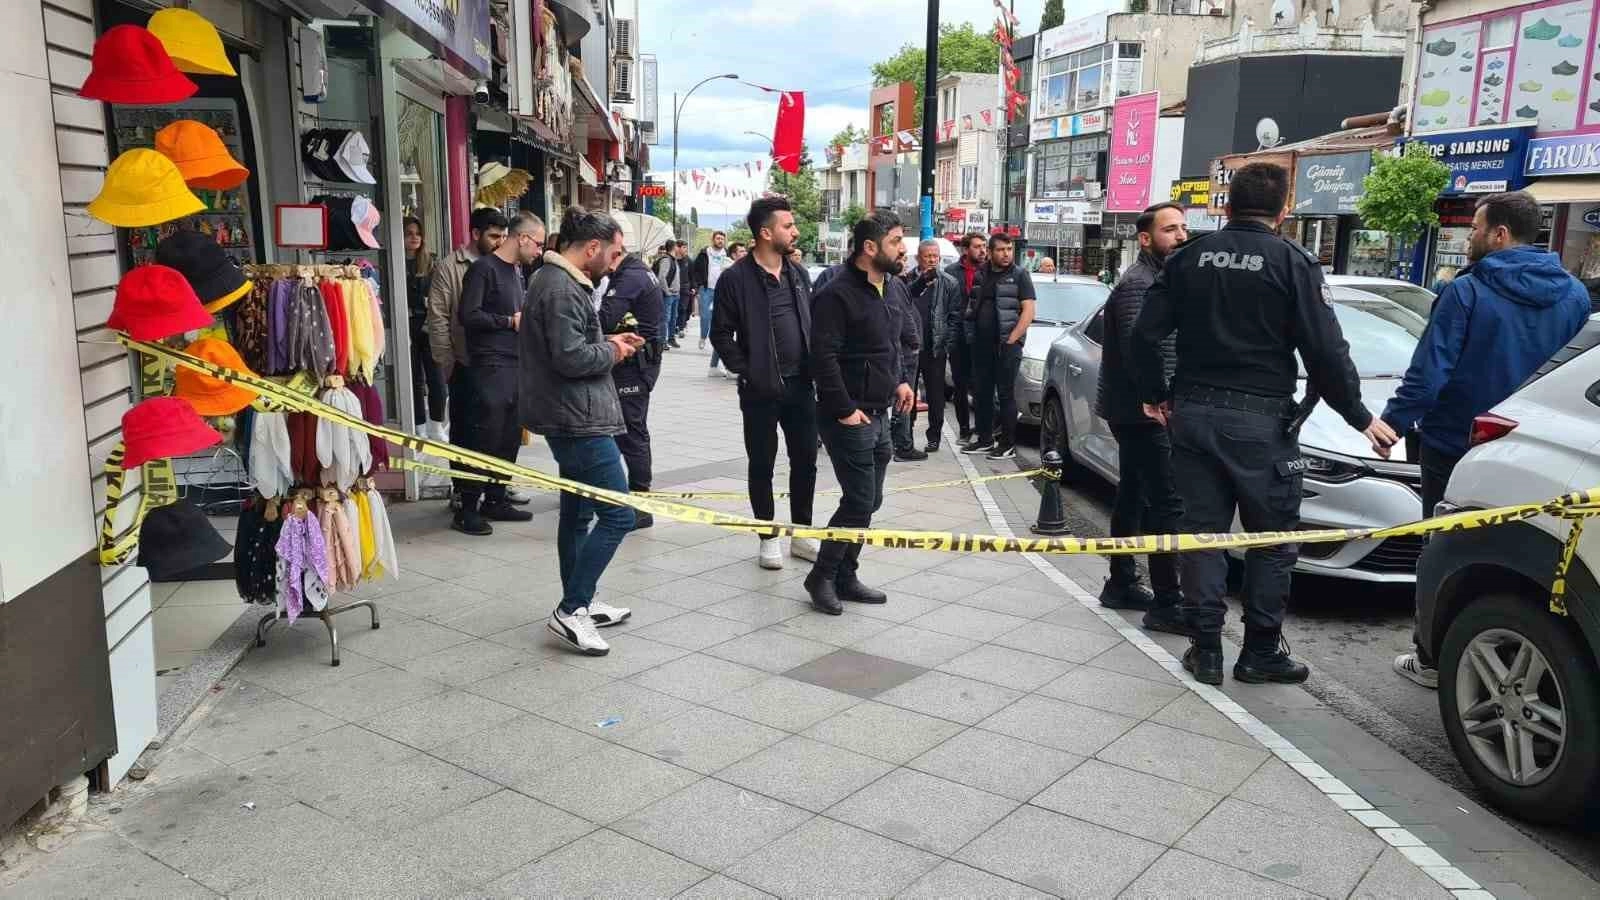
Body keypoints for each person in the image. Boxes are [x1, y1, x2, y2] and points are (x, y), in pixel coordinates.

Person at [1132, 162, 1398, 686]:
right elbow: (1326, 351)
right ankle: (1259, 652)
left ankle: (1206, 648)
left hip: (1194, 415)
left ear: (1227, 205)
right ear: (1285, 209)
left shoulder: (1188, 258)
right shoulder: (1293, 262)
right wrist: (1360, 416)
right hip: (1261, 423)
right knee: (1272, 541)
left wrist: (1154, 395)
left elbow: (1145, 335)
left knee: (1202, 536)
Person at [1383, 191, 1589, 689]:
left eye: (1475, 228)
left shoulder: (1466, 291)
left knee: (1443, 548)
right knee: (1523, 554)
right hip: (1535, 450)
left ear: (1499, 234)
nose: (1469, 237)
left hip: (1457, 442)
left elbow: (1430, 371)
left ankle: (1432, 659)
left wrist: (1394, 421)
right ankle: (1512, 653)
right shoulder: (1575, 296)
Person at [523, 206, 642, 656]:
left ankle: (581, 601)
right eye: (614, 253)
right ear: (592, 248)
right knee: (619, 514)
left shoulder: (559, 281)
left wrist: (609, 343)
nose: (615, 263)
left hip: (574, 414)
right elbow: (571, 358)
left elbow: (570, 347)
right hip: (577, 420)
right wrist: (613, 350)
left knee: (577, 514)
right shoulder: (559, 287)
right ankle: (571, 608)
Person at [805, 211, 919, 615]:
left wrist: (901, 381)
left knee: (871, 500)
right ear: (870, 248)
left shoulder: (893, 287)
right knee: (858, 499)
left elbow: (893, 346)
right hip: (849, 416)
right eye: (895, 241)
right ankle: (821, 576)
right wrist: (845, 410)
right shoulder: (836, 294)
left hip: (882, 412)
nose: (903, 249)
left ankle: (845, 575)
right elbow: (823, 358)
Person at [711, 197, 821, 569]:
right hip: (761, 390)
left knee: (805, 462)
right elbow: (721, 333)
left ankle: (802, 534)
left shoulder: (797, 274)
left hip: (802, 385)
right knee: (762, 464)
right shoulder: (735, 278)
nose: (795, 232)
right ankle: (768, 537)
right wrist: (748, 370)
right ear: (766, 232)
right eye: (788, 226)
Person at [1095, 203, 1189, 626]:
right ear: (1146, 239)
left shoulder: (1161, 278)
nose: (1181, 235)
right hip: (1143, 411)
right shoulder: (1139, 283)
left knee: (1133, 494)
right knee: (1165, 501)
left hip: (1137, 407)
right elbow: (1141, 347)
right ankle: (1168, 602)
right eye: (1170, 229)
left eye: (1183, 227)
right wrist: (1159, 399)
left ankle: (1121, 582)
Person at [452, 212, 544, 535]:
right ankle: (467, 507)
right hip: (489, 366)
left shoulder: (516, 272)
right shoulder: (483, 269)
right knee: (484, 436)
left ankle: (496, 498)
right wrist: (507, 321)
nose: (539, 251)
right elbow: (468, 315)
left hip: (515, 364)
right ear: (522, 238)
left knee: (508, 436)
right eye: (538, 244)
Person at [601, 245, 667, 529]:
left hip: (634, 367)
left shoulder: (630, 277)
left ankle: (640, 505)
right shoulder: (634, 271)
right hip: (636, 363)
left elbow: (604, 318)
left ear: (614, 253)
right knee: (622, 431)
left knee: (631, 432)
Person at [961, 232, 1035, 460]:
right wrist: (971, 333)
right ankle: (984, 439)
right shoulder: (982, 273)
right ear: (991, 252)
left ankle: (1007, 444)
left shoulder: (1020, 275)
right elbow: (973, 306)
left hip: (1007, 345)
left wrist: (1013, 339)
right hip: (981, 344)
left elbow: (1029, 311)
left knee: (1005, 394)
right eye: (1001, 250)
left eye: (1009, 249)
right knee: (981, 393)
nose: (1006, 254)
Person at [893, 239, 962, 459]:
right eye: (927, 256)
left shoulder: (949, 283)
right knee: (907, 392)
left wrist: (947, 344)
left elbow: (955, 317)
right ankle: (905, 437)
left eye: (935, 256)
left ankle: (934, 436)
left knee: (935, 395)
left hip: (935, 347)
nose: (932, 260)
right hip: (910, 348)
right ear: (918, 258)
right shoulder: (906, 280)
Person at [403, 217, 448, 441]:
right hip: (406, 325)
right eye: (409, 233)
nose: (414, 237)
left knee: (437, 380)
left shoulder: (431, 262)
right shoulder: (394, 261)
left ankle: (436, 424)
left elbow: (439, 295)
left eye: (418, 233)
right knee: (413, 379)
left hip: (429, 325)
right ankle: (418, 424)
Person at [944, 232, 987, 443]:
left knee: (981, 385)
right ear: (965, 249)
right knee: (960, 385)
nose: (982, 251)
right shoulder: (951, 272)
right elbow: (945, 305)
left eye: (984, 246)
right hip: (959, 336)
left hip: (981, 336)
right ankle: (964, 429)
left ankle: (982, 429)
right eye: (977, 246)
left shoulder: (989, 271)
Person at [693, 230, 731, 374]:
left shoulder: (726, 254)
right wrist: (697, 284)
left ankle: (713, 339)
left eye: (722, 239)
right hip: (706, 288)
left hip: (721, 289)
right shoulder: (705, 252)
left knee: (718, 318)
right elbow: (695, 269)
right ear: (713, 239)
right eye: (718, 238)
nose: (720, 241)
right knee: (705, 315)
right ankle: (703, 337)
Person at [652, 240, 682, 349]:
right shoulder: (666, 260)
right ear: (674, 247)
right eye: (678, 246)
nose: (679, 249)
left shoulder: (674, 260)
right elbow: (661, 277)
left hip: (675, 294)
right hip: (668, 295)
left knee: (673, 318)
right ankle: (662, 341)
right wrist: (667, 292)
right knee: (665, 318)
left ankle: (671, 338)